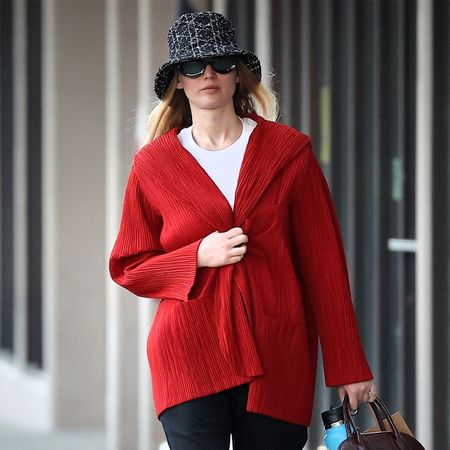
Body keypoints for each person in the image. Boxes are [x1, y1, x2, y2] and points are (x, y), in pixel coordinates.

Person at [109, 10, 376, 450]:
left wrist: (350, 366)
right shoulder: (153, 165)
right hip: (189, 351)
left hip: (277, 352)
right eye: (193, 66)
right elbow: (129, 267)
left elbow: (324, 266)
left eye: (221, 63)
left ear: (238, 75)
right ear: (178, 80)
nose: (208, 74)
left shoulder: (289, 152)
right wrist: (196, 255)